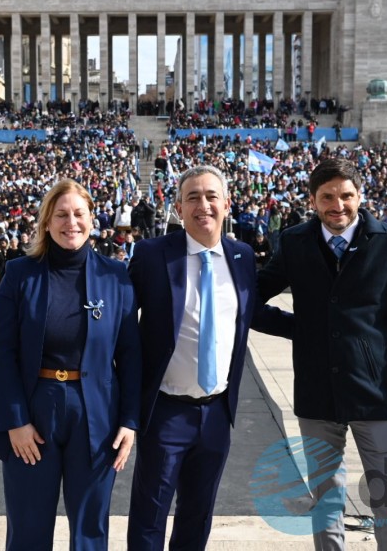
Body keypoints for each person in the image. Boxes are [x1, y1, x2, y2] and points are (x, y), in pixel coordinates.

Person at [256, 159, 387, 550]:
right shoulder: (294, 242)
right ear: (312, 200)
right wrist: (300, 329)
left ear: (360, 196)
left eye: (346, 195)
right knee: (325, 500)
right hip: (316, 391)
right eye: (327, 197)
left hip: (375, 393)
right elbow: (252, 300)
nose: (337, 205)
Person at [0, 179, 141, 550]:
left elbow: (130, 355)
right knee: (28, 528)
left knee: (90, 531)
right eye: (61, 214)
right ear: (47, 222)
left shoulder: (115, 277)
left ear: (92, 219)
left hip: (96, 412)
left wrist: (130, 421)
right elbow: (2, 353)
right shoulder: (20, 273)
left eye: (79, 214)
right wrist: (15, 421)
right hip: (35, 408)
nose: (71, 223)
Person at [126, 165, 283, 550]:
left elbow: (252, 312)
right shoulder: (150, 255)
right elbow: (121, 322)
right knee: (150, 517)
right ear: (179, 208)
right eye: (192, 197)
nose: (203, 205)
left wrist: (314, 328)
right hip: (165, 411)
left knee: (197, 517)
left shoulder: (242, 256)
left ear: (227, 204)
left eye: (211, 196)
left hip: (216, 414)